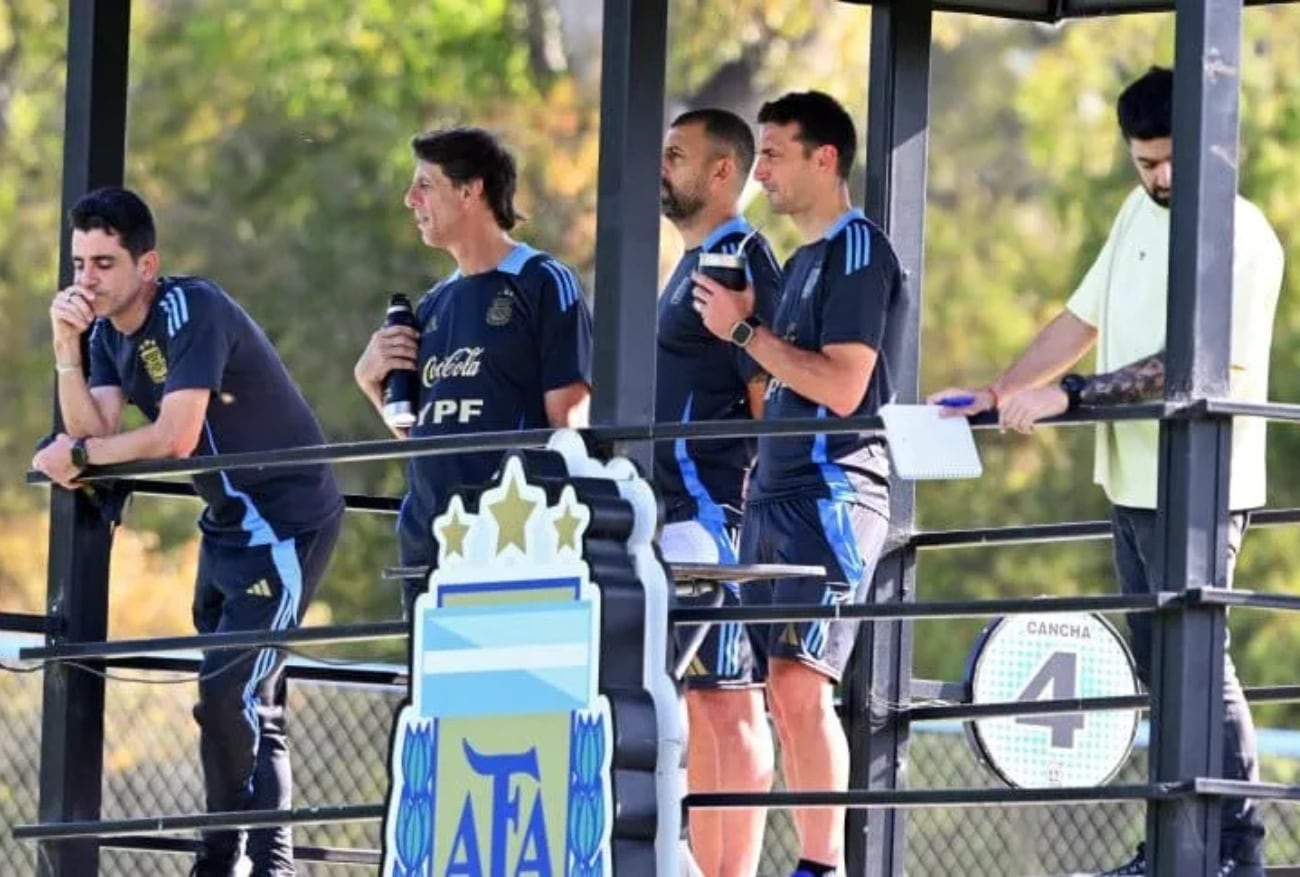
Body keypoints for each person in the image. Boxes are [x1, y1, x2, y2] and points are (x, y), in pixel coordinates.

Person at [929, 66, 1283, 877]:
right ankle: (1175, 840)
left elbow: (1190, 362)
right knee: (1161, 666)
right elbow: (1079, 319)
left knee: (1200, 659)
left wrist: (1073, 395)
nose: (1156, 177)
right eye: (1142, 161)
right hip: (1129, 479)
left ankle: (1236, 848)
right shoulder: (1135, 212)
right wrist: (1001, 390)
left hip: (1201, 479)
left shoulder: (1241, 232)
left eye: (1167, 161)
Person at [32, 187, 344, 877]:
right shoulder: (109, 332)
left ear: (147, 265)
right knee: (244, 702)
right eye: (80, 263)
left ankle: (233, 858)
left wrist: (77, 458)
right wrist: (66, 348)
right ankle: (260, 860)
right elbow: (96, 427)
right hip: (228, 525)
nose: (86, 279)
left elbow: (172, 438)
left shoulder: (191, 309)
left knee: (226, 695)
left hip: (288, 522)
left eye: (103, 264)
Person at [693, 90, 904, 877]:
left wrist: (742, 330)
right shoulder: (804, 258)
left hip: (831, 489)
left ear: (826, 158)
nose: (763, 170)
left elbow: (844, 386)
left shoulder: (857, 251)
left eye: (775, 152)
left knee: (800, 682)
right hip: (772, 492)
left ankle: (822, 865)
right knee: (766, 690)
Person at [353, 127, 593, 612]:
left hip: (511, 532)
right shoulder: (434, 302)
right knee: (433, 685)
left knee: (510, 683)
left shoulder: (543, 281)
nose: (409, 199)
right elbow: (423, 432)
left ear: (470, 190)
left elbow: (568, 423)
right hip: (431, 532)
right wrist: (369, 380)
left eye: (425, 184)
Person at [655, 107, 782, 877]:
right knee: (698, 697)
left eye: (677, 154)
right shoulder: (687, 260)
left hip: (717, 511)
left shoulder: (737, 254)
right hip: (668, 512)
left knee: (729, 695)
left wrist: (756, 511)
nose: (662, 166)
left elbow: (768, 391)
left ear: (722, 172)